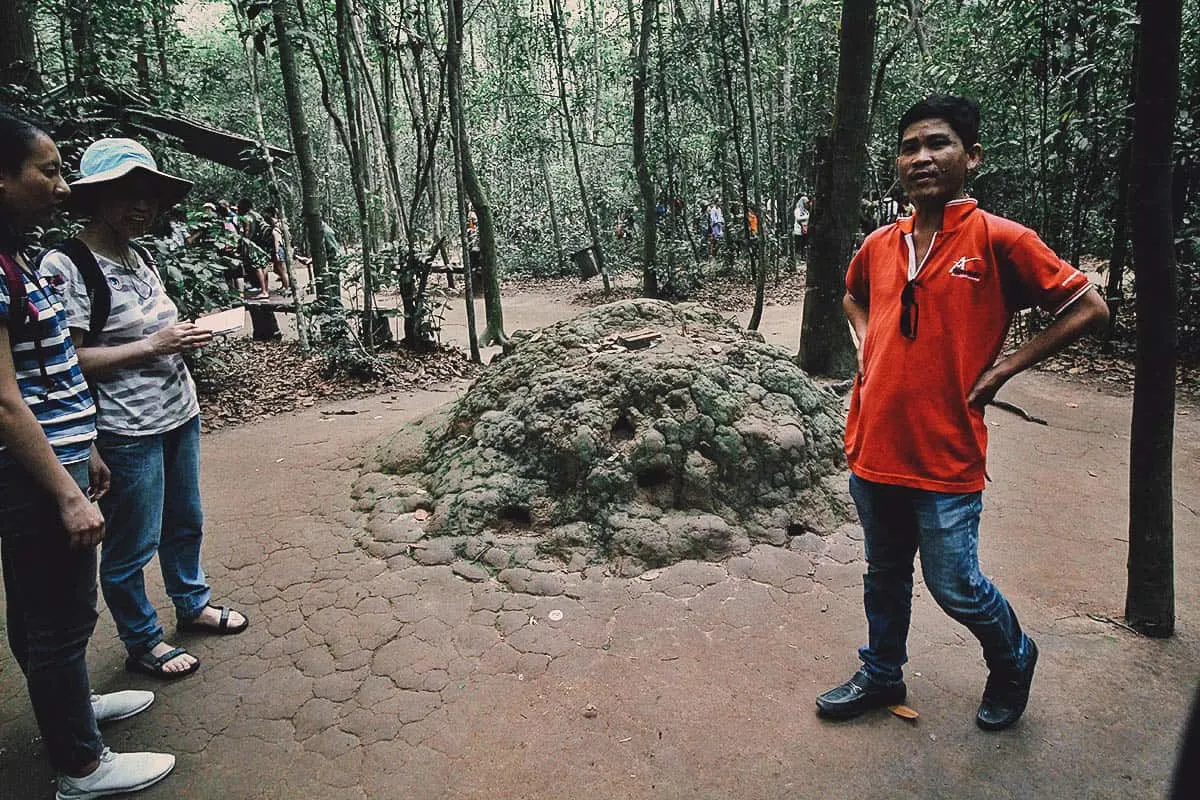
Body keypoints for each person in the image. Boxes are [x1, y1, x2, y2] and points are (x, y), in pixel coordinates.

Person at [816, 96, 1109, 731]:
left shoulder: (1000, 239)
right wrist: (867, 346)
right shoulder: (879, 244)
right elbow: (850, 295)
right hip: (873, 444)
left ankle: (1012, 659)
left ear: (970, 157)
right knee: (884, 572)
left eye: (939, 144)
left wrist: (1003, 370)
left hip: (947, 451)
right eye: (909, 146)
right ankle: (880, 670)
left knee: (955, 585)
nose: (921, 157)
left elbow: (1090, 307)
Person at [0, 108, 175, 799]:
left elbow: (52, 377)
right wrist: (65, 491)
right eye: (47, 170)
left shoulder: (13, 256)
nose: (62, 185)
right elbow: (6, 401)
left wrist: (87, 449)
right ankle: (81, 764)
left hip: (65, 453)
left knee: (64, 604)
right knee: (52, 609)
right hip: (31, 473)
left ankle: (74, 707)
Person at [40, 137, 249, 683]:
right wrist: (152, 346)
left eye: (150, 195)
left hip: (179, 410)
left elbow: (151, 327)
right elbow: (69, 360)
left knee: (186, 518)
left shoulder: (140, 255)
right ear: (98, 196)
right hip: (126, 426)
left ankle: (191, 600)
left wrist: (181, 336)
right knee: (133, 540)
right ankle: (143, 639)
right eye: (129, 193)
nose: (144, 206)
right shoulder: (69, 264)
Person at [235, 198, 269, 299]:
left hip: (253, 245)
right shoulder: (257, 215)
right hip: (262, 245)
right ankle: (264, 289)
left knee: (257, 267)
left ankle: (263, 290)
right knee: (263, 267)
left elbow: (248, 232)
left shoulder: (247, 217)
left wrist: (245, 244)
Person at [261, 205, 290, 293]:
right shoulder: (279, 225)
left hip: (279, 248)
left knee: (282, 270)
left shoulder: (276, 229)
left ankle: (287, 287)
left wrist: (277, 252)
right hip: (280, 248)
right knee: (278, 269)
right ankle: (284, 285)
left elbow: (277, 240)